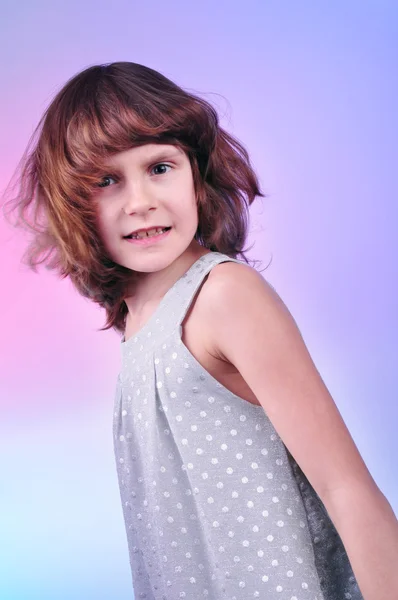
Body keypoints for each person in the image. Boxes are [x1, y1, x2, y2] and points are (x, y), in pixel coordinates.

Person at [2, 61, 397, 600]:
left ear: (196, 172)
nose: (140, 200)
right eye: (106, 180)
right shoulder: (139, 317)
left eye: (159, 167)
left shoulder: (223, 295)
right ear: (75, 204)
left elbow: (347, 489)